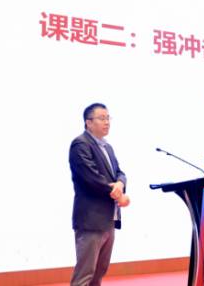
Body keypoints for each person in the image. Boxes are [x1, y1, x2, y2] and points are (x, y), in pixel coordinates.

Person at [69, 103, 129, 286]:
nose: (107, 122)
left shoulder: (107, 147)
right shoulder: (80, 144)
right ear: (88, 122)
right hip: (91, 219)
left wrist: (120, 183)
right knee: (85, 274)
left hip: (109, 219)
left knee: (99, 272)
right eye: (102, 118)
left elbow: (119, 172)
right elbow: (92, 178)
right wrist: (119, 195)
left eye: (108, 118)